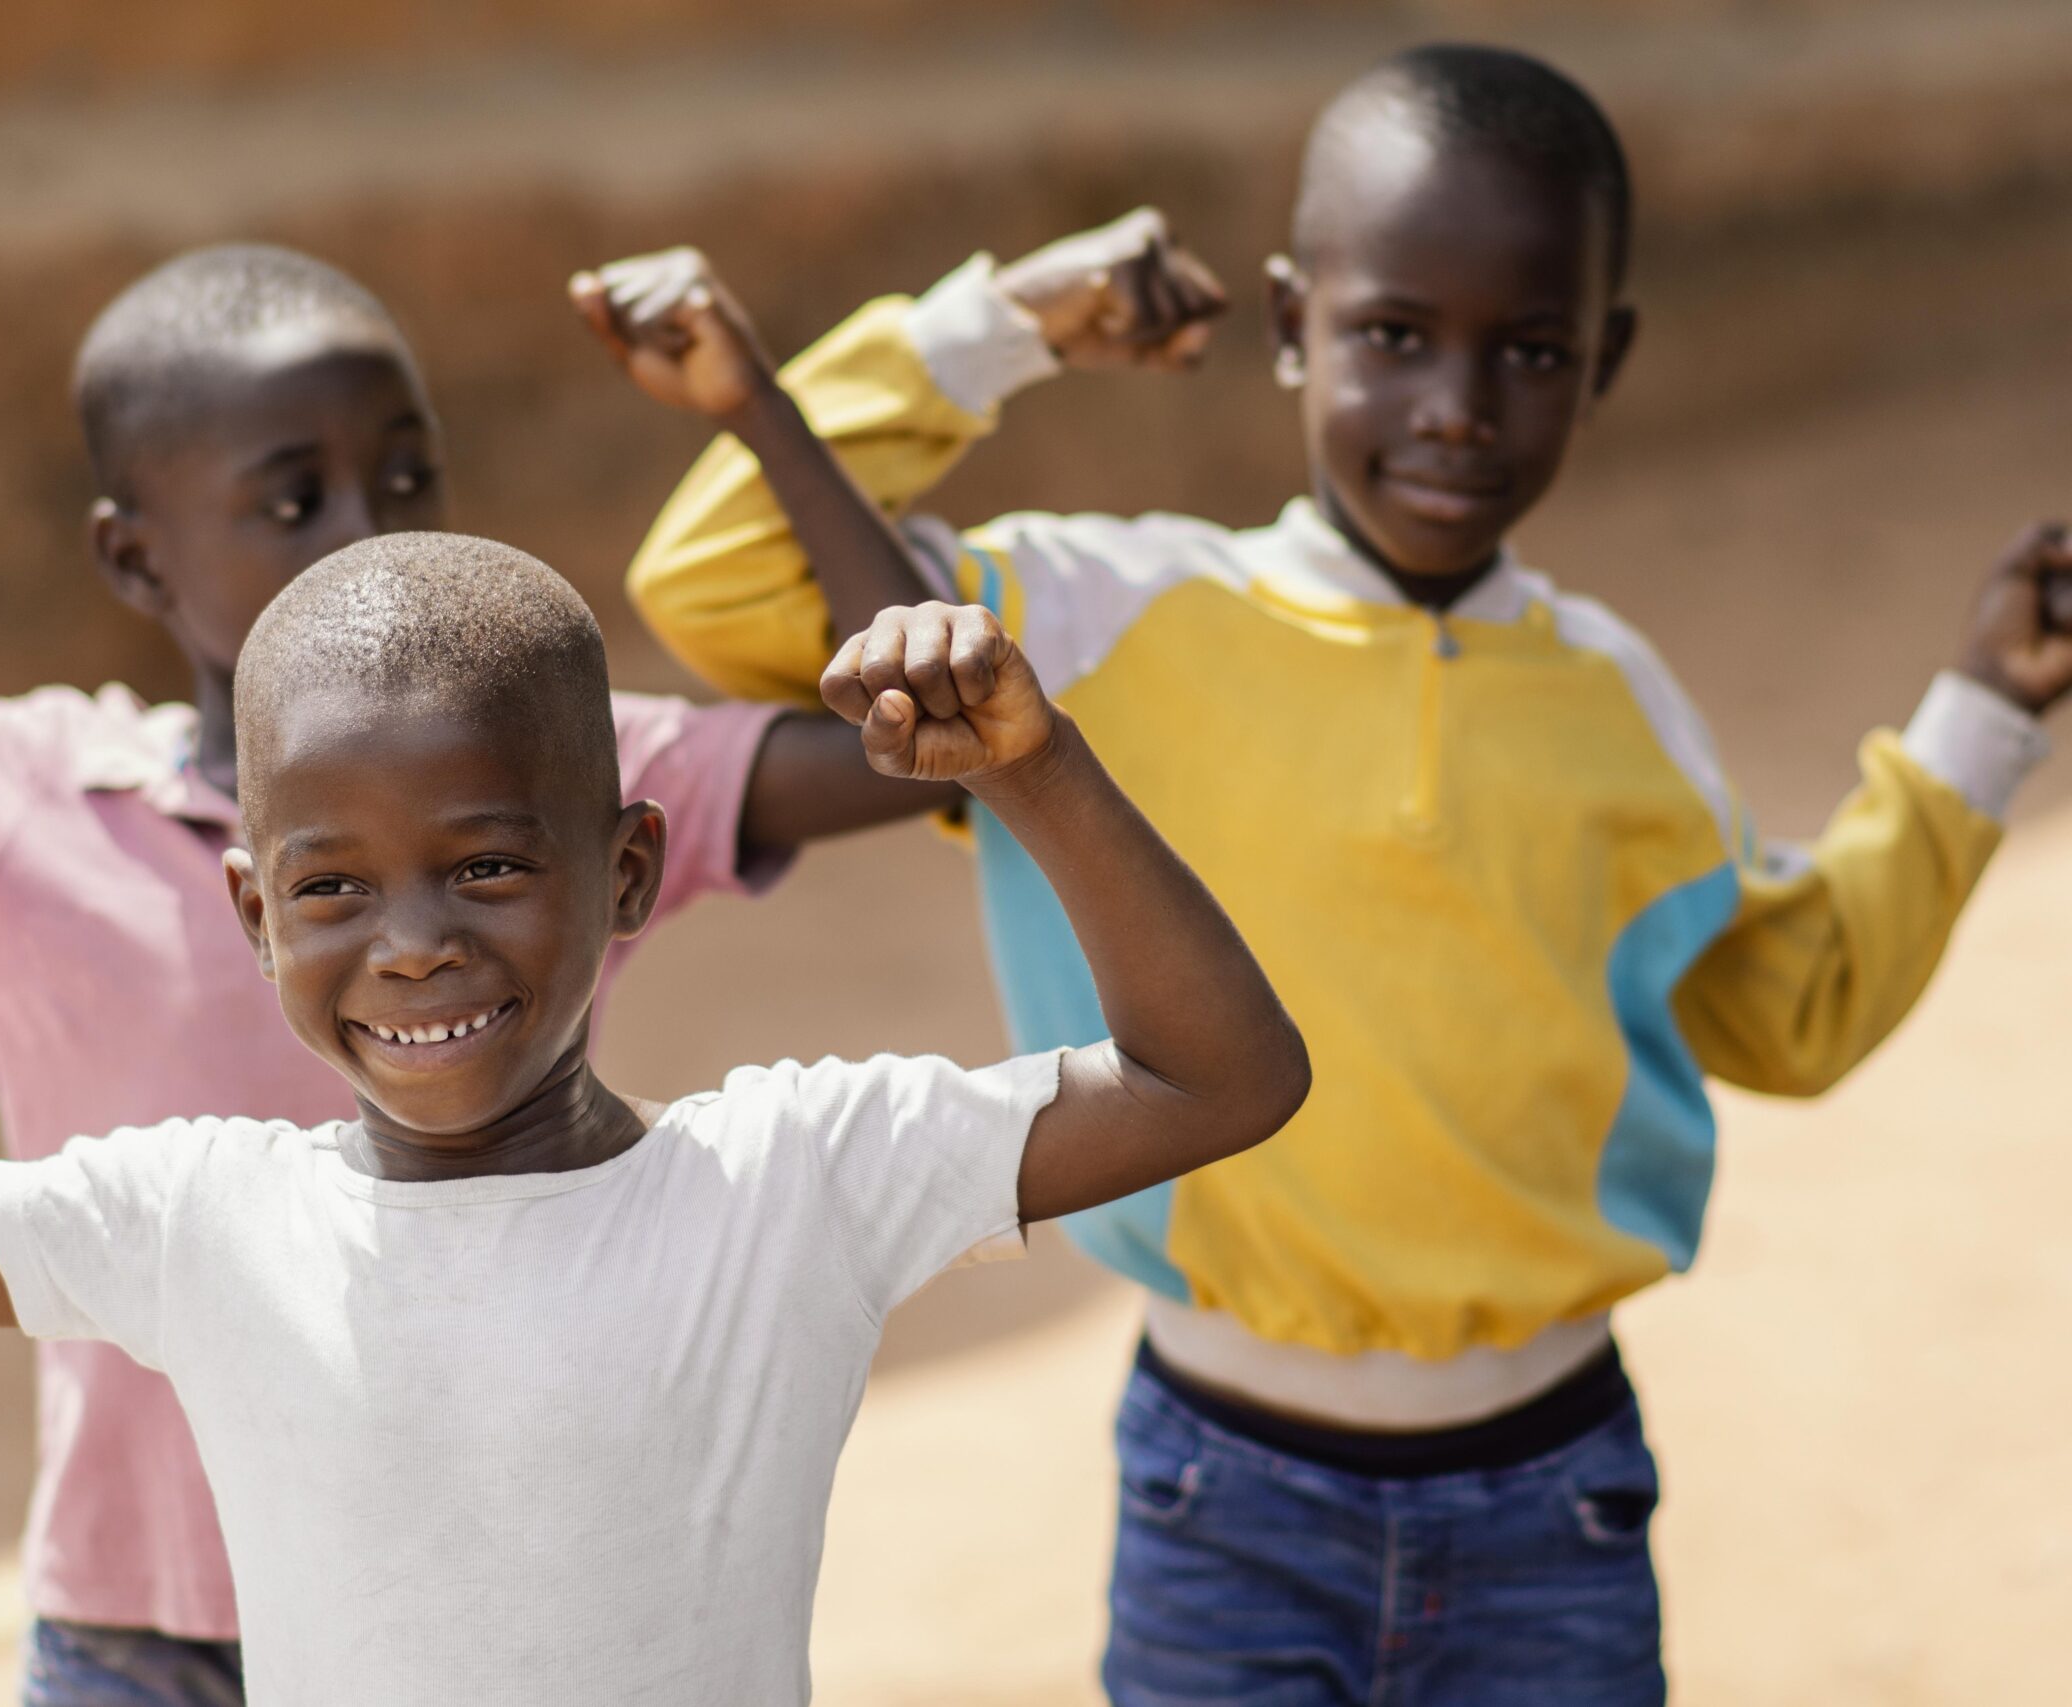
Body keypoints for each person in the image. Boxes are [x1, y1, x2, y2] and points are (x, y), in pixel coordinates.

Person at [582, 42, 2072, 1706]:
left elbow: (1796, 1003)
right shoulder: (1093, 627)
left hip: (1553, 1498)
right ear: (1292, 323)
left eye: (1530, 350)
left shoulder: (1622, 707)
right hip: (1223, 1498)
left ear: (1606, 361)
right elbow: (717, 576)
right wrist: (1008, 321)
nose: (1458, 405)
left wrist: (1984, 717)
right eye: (1393, 335)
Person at [0, 211, 941, 1705]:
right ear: (132, 557)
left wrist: (755, 405)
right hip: (139, 1625)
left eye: (405, 478)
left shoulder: (554, 774)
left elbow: (916, 744)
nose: (366, 528)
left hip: (461, 1602)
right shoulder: (35, 786)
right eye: (293, 499)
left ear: (624, 865)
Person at [0, 532, 1311, 1704]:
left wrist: (1037, 770)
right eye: (332, 889)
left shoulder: (791, 1185)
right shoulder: (210, 1223)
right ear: (254, 914)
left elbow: (1223, 1077)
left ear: (627, 874)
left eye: (487, 866)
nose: (412, 943)